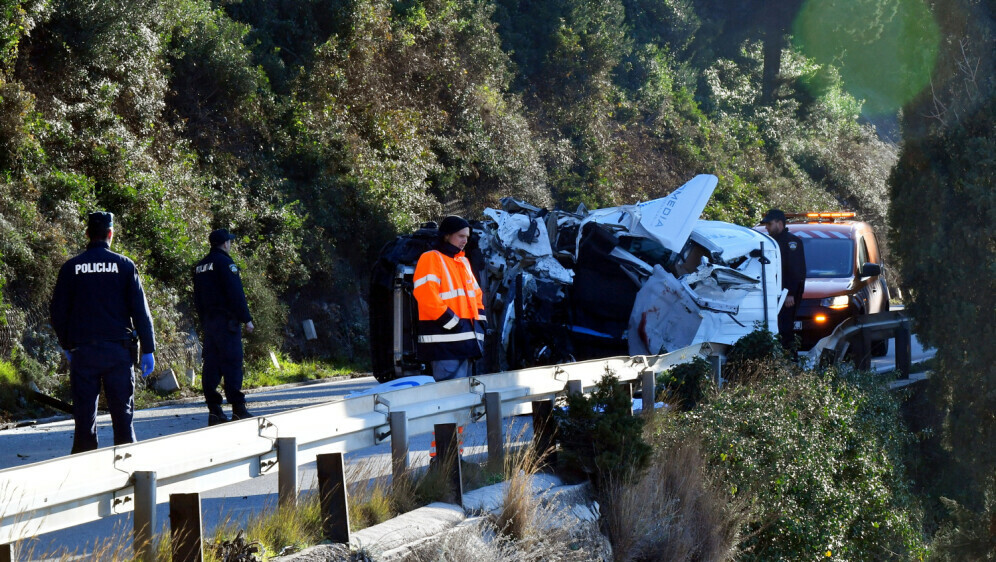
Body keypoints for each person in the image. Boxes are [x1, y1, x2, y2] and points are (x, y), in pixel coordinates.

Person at [50, 212, 156, 454]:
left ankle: (85, 475)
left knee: (84, 418)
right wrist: (148, 349)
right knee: (123, 417)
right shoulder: (124, 265)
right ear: (110, 234)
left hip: (83, 353)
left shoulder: (71, 267)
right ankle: (128, 471)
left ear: (87, 234)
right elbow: (141, 312)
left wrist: (67, 344)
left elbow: (57, 312)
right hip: (118, 354)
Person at [193, 229, 255, 425]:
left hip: (209, 324)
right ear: (225, 243)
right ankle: (238, 408)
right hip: (227, 323)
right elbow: (236, 293)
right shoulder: (226, 263)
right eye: (229, 241)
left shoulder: (200, 266)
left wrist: (204, 321)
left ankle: (215, 410)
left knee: (211, 366)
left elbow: (197, 298)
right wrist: (247, 319)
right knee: (232, 364)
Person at [412, 215, 486, 381]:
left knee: (465, 398)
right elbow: (426, 295)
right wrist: (452, 322)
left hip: (466, 343)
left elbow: (477, 296)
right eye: (461, 236)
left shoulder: (463, 262)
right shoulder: (431, 257)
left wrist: (480, 323)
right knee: (453, 397)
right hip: (444, 344)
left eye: (467, 237)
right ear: (446, 235)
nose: (465, 241)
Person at [761, 208, 807, 351]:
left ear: (779, 224)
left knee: (785, 328)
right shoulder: (771, 242)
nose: (766, 227)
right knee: (776, 327)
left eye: (769, 224)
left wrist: (790, 293)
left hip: (786, 295)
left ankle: (790, 360)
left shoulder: (791, 243)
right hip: (774, 293)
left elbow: (795, 270)